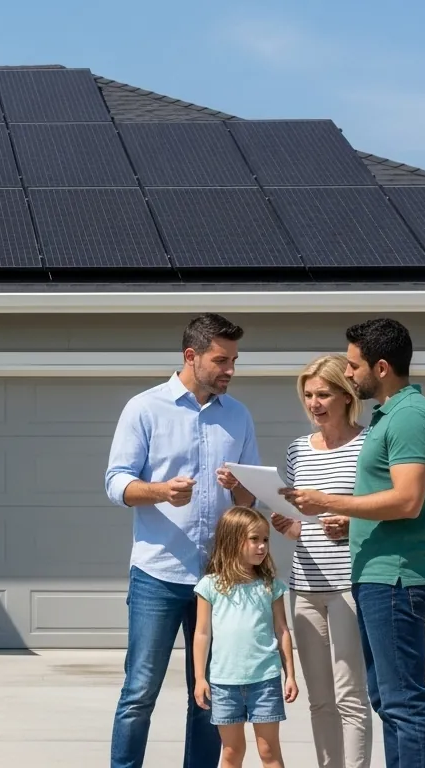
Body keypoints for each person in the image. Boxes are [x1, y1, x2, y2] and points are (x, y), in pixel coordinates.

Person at [281, 318, 425, 768]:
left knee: (401, 701)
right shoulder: (391, 417)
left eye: (353, 366)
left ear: (380, 367)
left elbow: (408, 500)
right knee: (388, 700)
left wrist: (326, 502)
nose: (349, 375)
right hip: (376, 574)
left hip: (395, 573)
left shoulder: (409, 417)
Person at [105, 312, 261, 768]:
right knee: (139, 692)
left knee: (209, 696)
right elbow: (116, 483)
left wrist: (239, 484)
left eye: (234, 360)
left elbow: (250, 497)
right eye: (221, 360)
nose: (230, 369)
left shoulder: (239, 415)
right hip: (158, 574)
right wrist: (160, 492)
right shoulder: (144, 408)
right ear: (190, 357)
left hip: (219, 582)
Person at [271, 354, 372, 768]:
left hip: (349, 586)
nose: (314, 403)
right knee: (320, 700)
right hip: (305, 588)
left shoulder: (368, 445)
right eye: (308, 395)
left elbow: (378, 510)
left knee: (351, 697)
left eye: (323, 394)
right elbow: (301, 526)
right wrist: (286, 525)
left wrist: (351, 524)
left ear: (346, 396)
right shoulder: (298, 450)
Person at [192, 506, 298, 768]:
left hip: (265, 680)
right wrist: (199, 678)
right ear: (232, 540)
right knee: (231, 751)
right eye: (254, 539)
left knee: (268, 751)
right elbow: (202, 633)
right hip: (224, 683)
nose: (262, 546)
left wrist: (291, 675)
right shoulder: (210, 585)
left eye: (265, 540)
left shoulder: (270, 585)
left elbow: (282, 630)